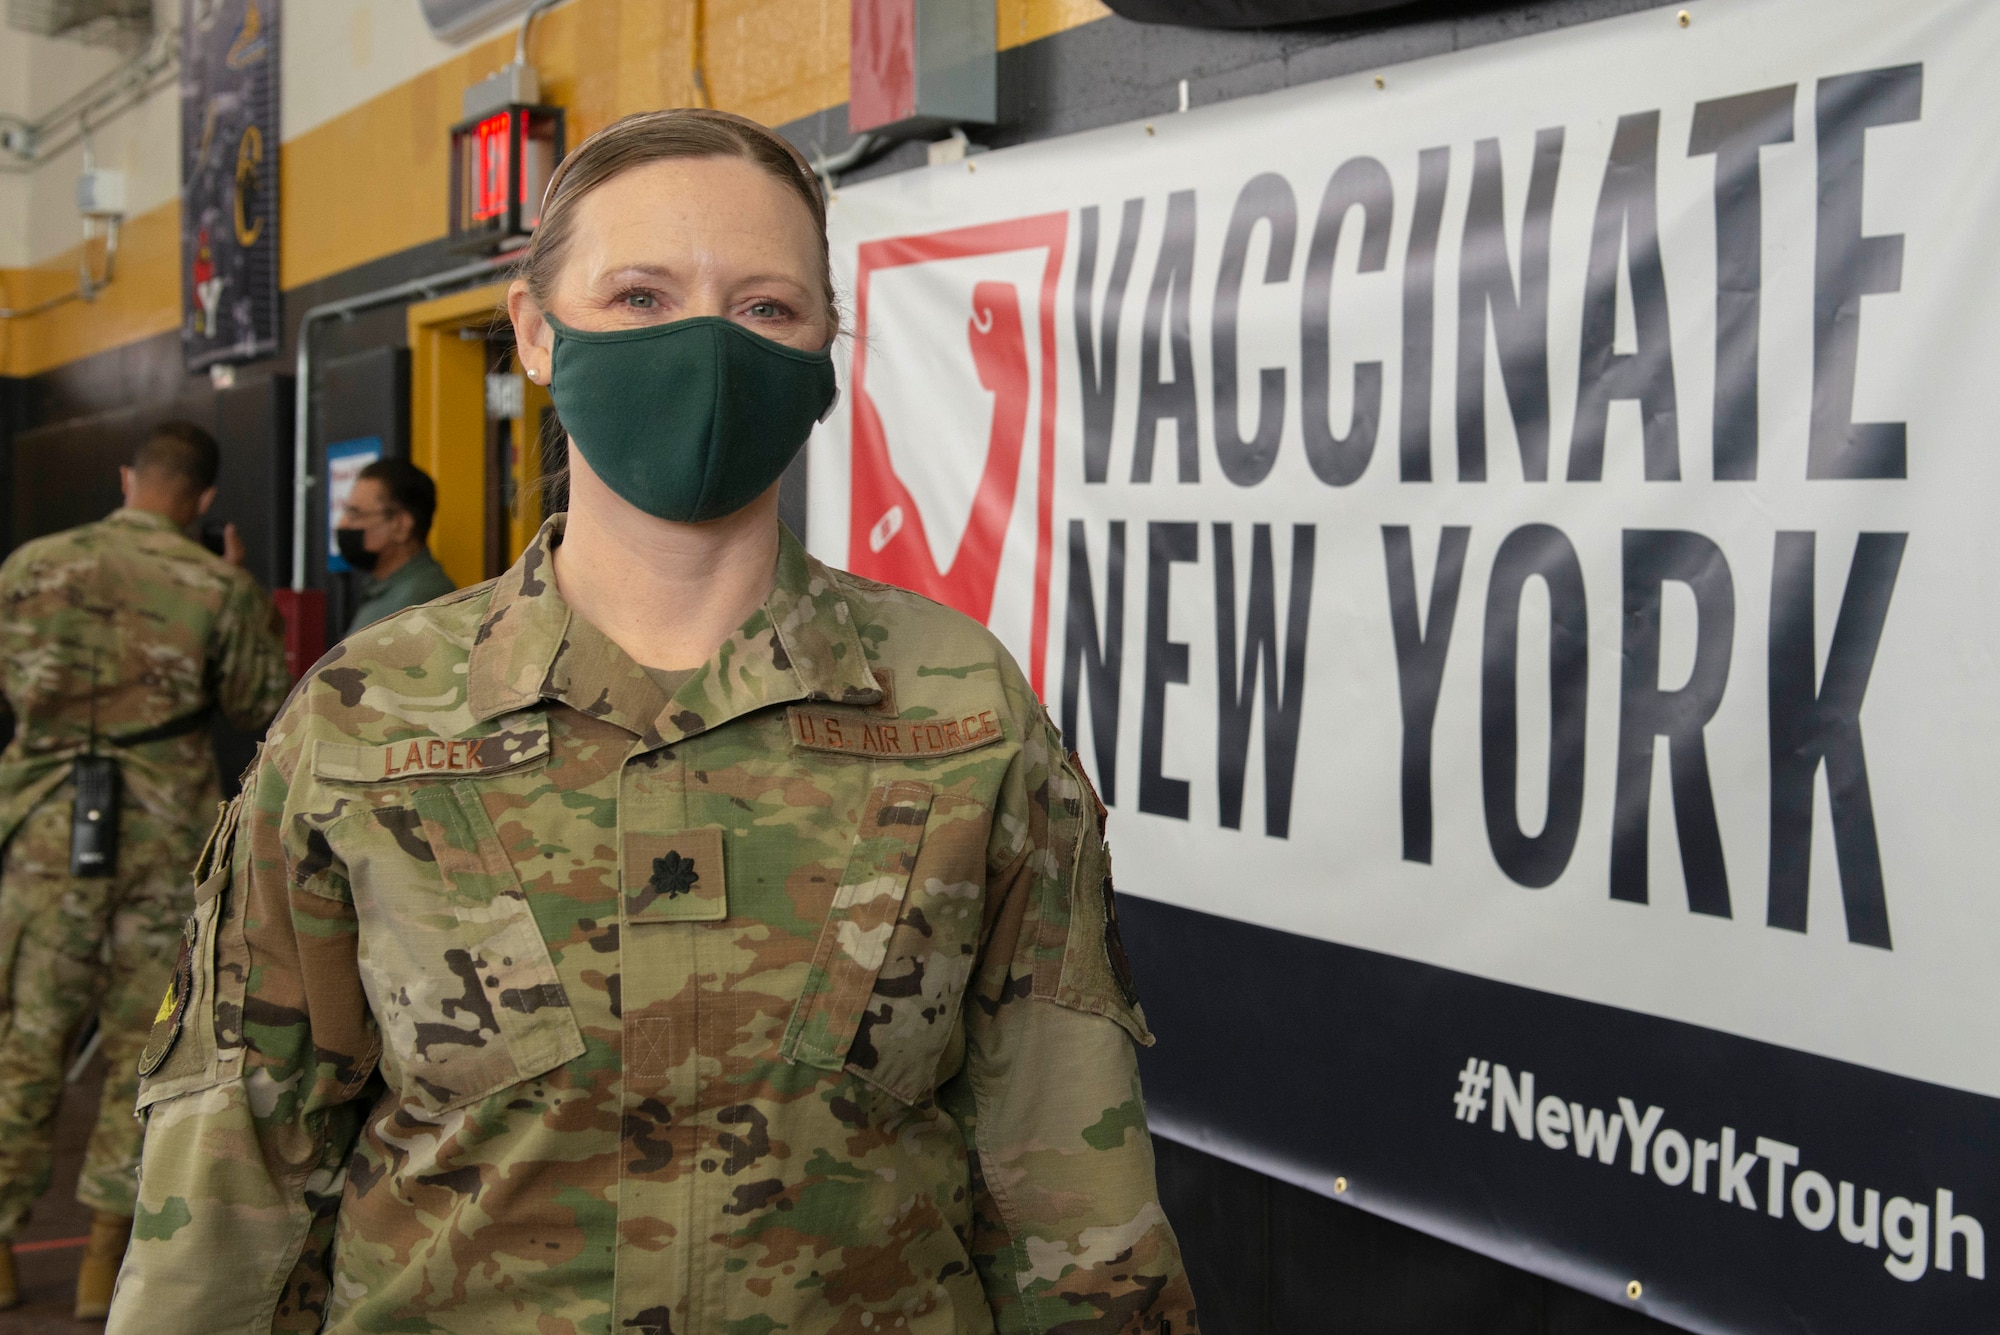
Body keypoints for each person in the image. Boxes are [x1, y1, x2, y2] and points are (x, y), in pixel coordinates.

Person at [109, 110, 1199, 1334]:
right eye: (639, 296)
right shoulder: (364, 721)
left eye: (766, 308)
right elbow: (236, 1178)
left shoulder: (958, 710)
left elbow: (1066, 1178)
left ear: (825, 351)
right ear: (535, 331)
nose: (706, 348)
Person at [0, 421, 290, 1318]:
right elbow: (259, 702)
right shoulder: (215, 585)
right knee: (145, 1040)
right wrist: (246, 595)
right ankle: (101, 1259)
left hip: (43, 834)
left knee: (23, 1033)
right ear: (203, 498)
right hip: (165, 839)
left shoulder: (30, 566)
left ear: (128, 478)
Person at [333, 457, 456, 631]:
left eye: (355, 514)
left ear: (401, 526)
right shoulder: (386, 589)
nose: (342, 524)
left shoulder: (419, 599)